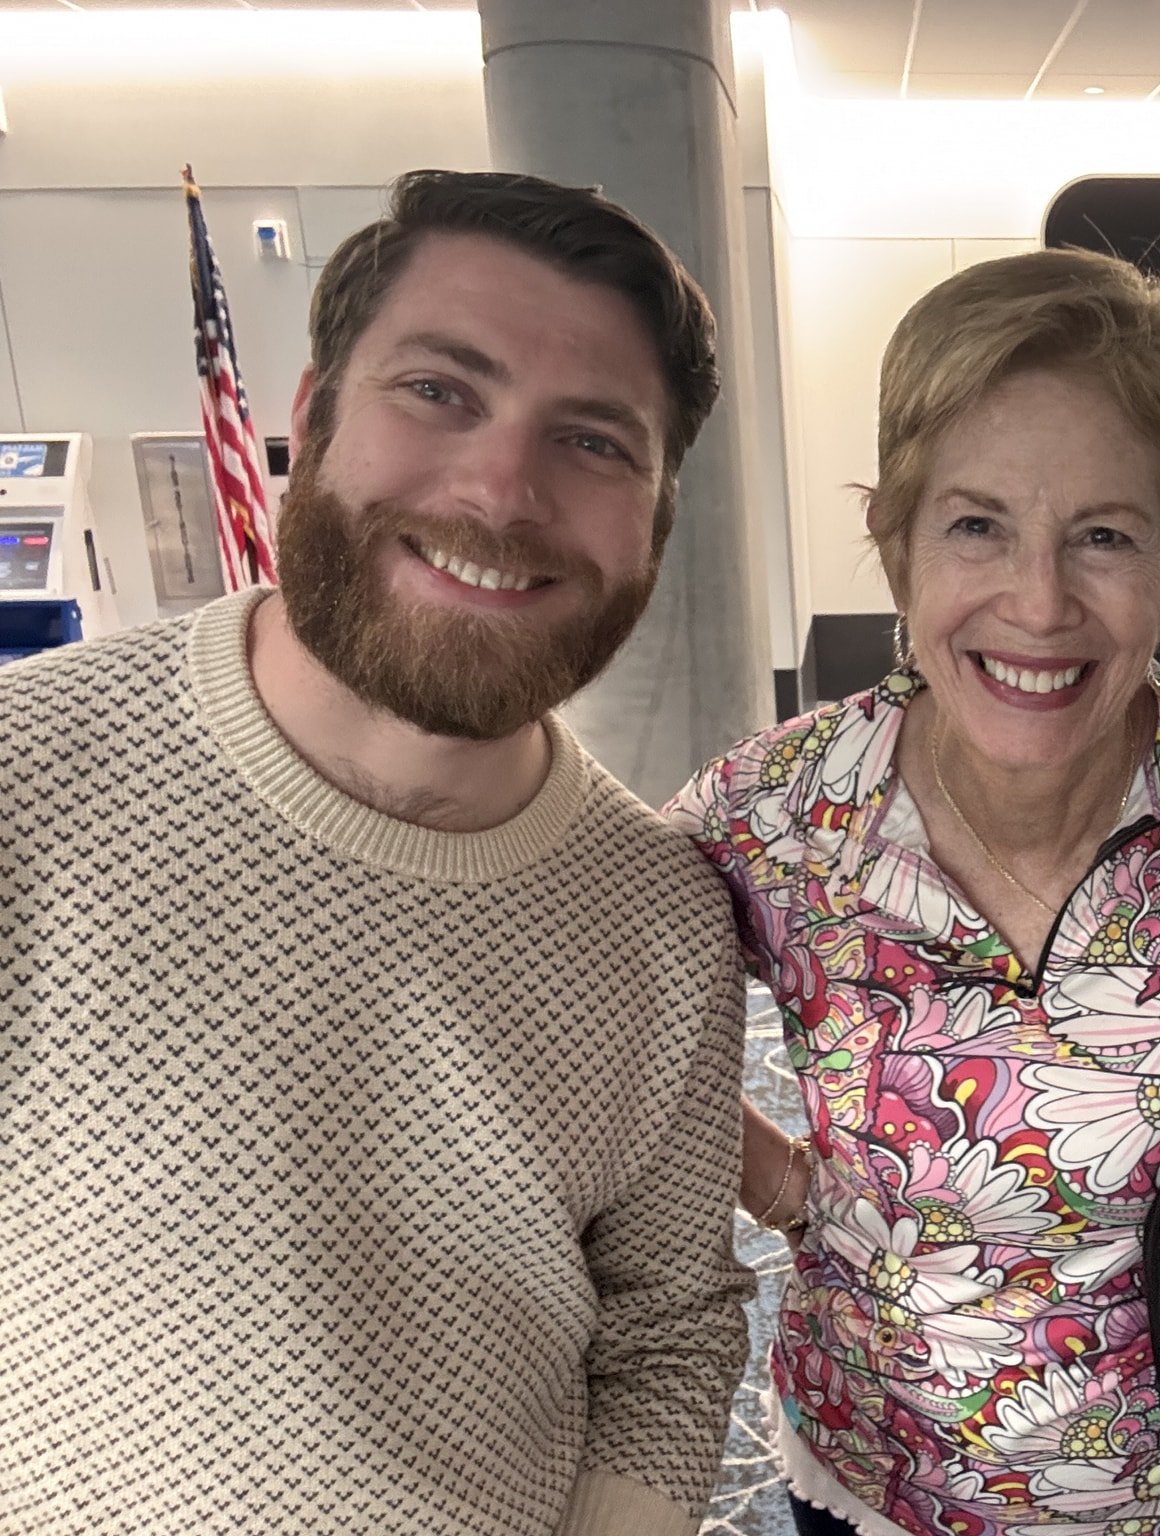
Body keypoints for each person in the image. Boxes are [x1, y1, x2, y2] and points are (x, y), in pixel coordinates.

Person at [1, 170, 753, 1536]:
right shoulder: (24, 782)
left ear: (655, 521)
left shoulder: (660, 919)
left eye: (594, 441)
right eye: (440, 392)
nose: (501, 491)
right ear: (307, 421)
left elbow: (667, 1336)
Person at [669, 249, 1160, 1536]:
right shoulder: (780, 814)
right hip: (875, 1488)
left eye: (1103, 535)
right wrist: (788, 1188)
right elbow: (579, 996)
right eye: (976, 524)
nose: (1038, 601)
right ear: (896, 543)